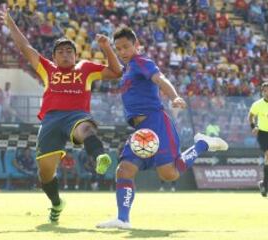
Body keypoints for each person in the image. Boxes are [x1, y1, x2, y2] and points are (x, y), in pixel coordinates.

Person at [96, 27, 229, 229]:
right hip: (140, 131)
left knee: (169, 175)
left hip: (157, 123)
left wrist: (174, 96)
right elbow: (116, 65)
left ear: (136, 45)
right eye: (119, 48)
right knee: (124, 170)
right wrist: (107, 48)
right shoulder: (128, 69)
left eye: (126, 47)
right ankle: (123, 219)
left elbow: (160, 79)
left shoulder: (142, 62)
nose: (122, 52)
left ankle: (202, 144)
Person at [0, 9, 122, 223]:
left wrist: (106, 47)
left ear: (75, 55)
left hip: (77, 115)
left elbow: (117, 71)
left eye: (69, 51)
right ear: (54, 56)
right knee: (45, 174)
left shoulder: (86, 68)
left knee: (85, 129)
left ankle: (99, 156)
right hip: (51, 121)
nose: (66, 54)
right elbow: (25, 47)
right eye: (61, 51)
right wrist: (10, 24)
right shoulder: (48, 69)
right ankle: (56, 203)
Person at [248, 82, 268, 197]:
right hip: (263, 133)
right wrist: (254, 126)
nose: (267, 92)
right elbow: (250, 116)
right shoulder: (257, 104)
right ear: (262, 92)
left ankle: (264, 184)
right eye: (265, 90)